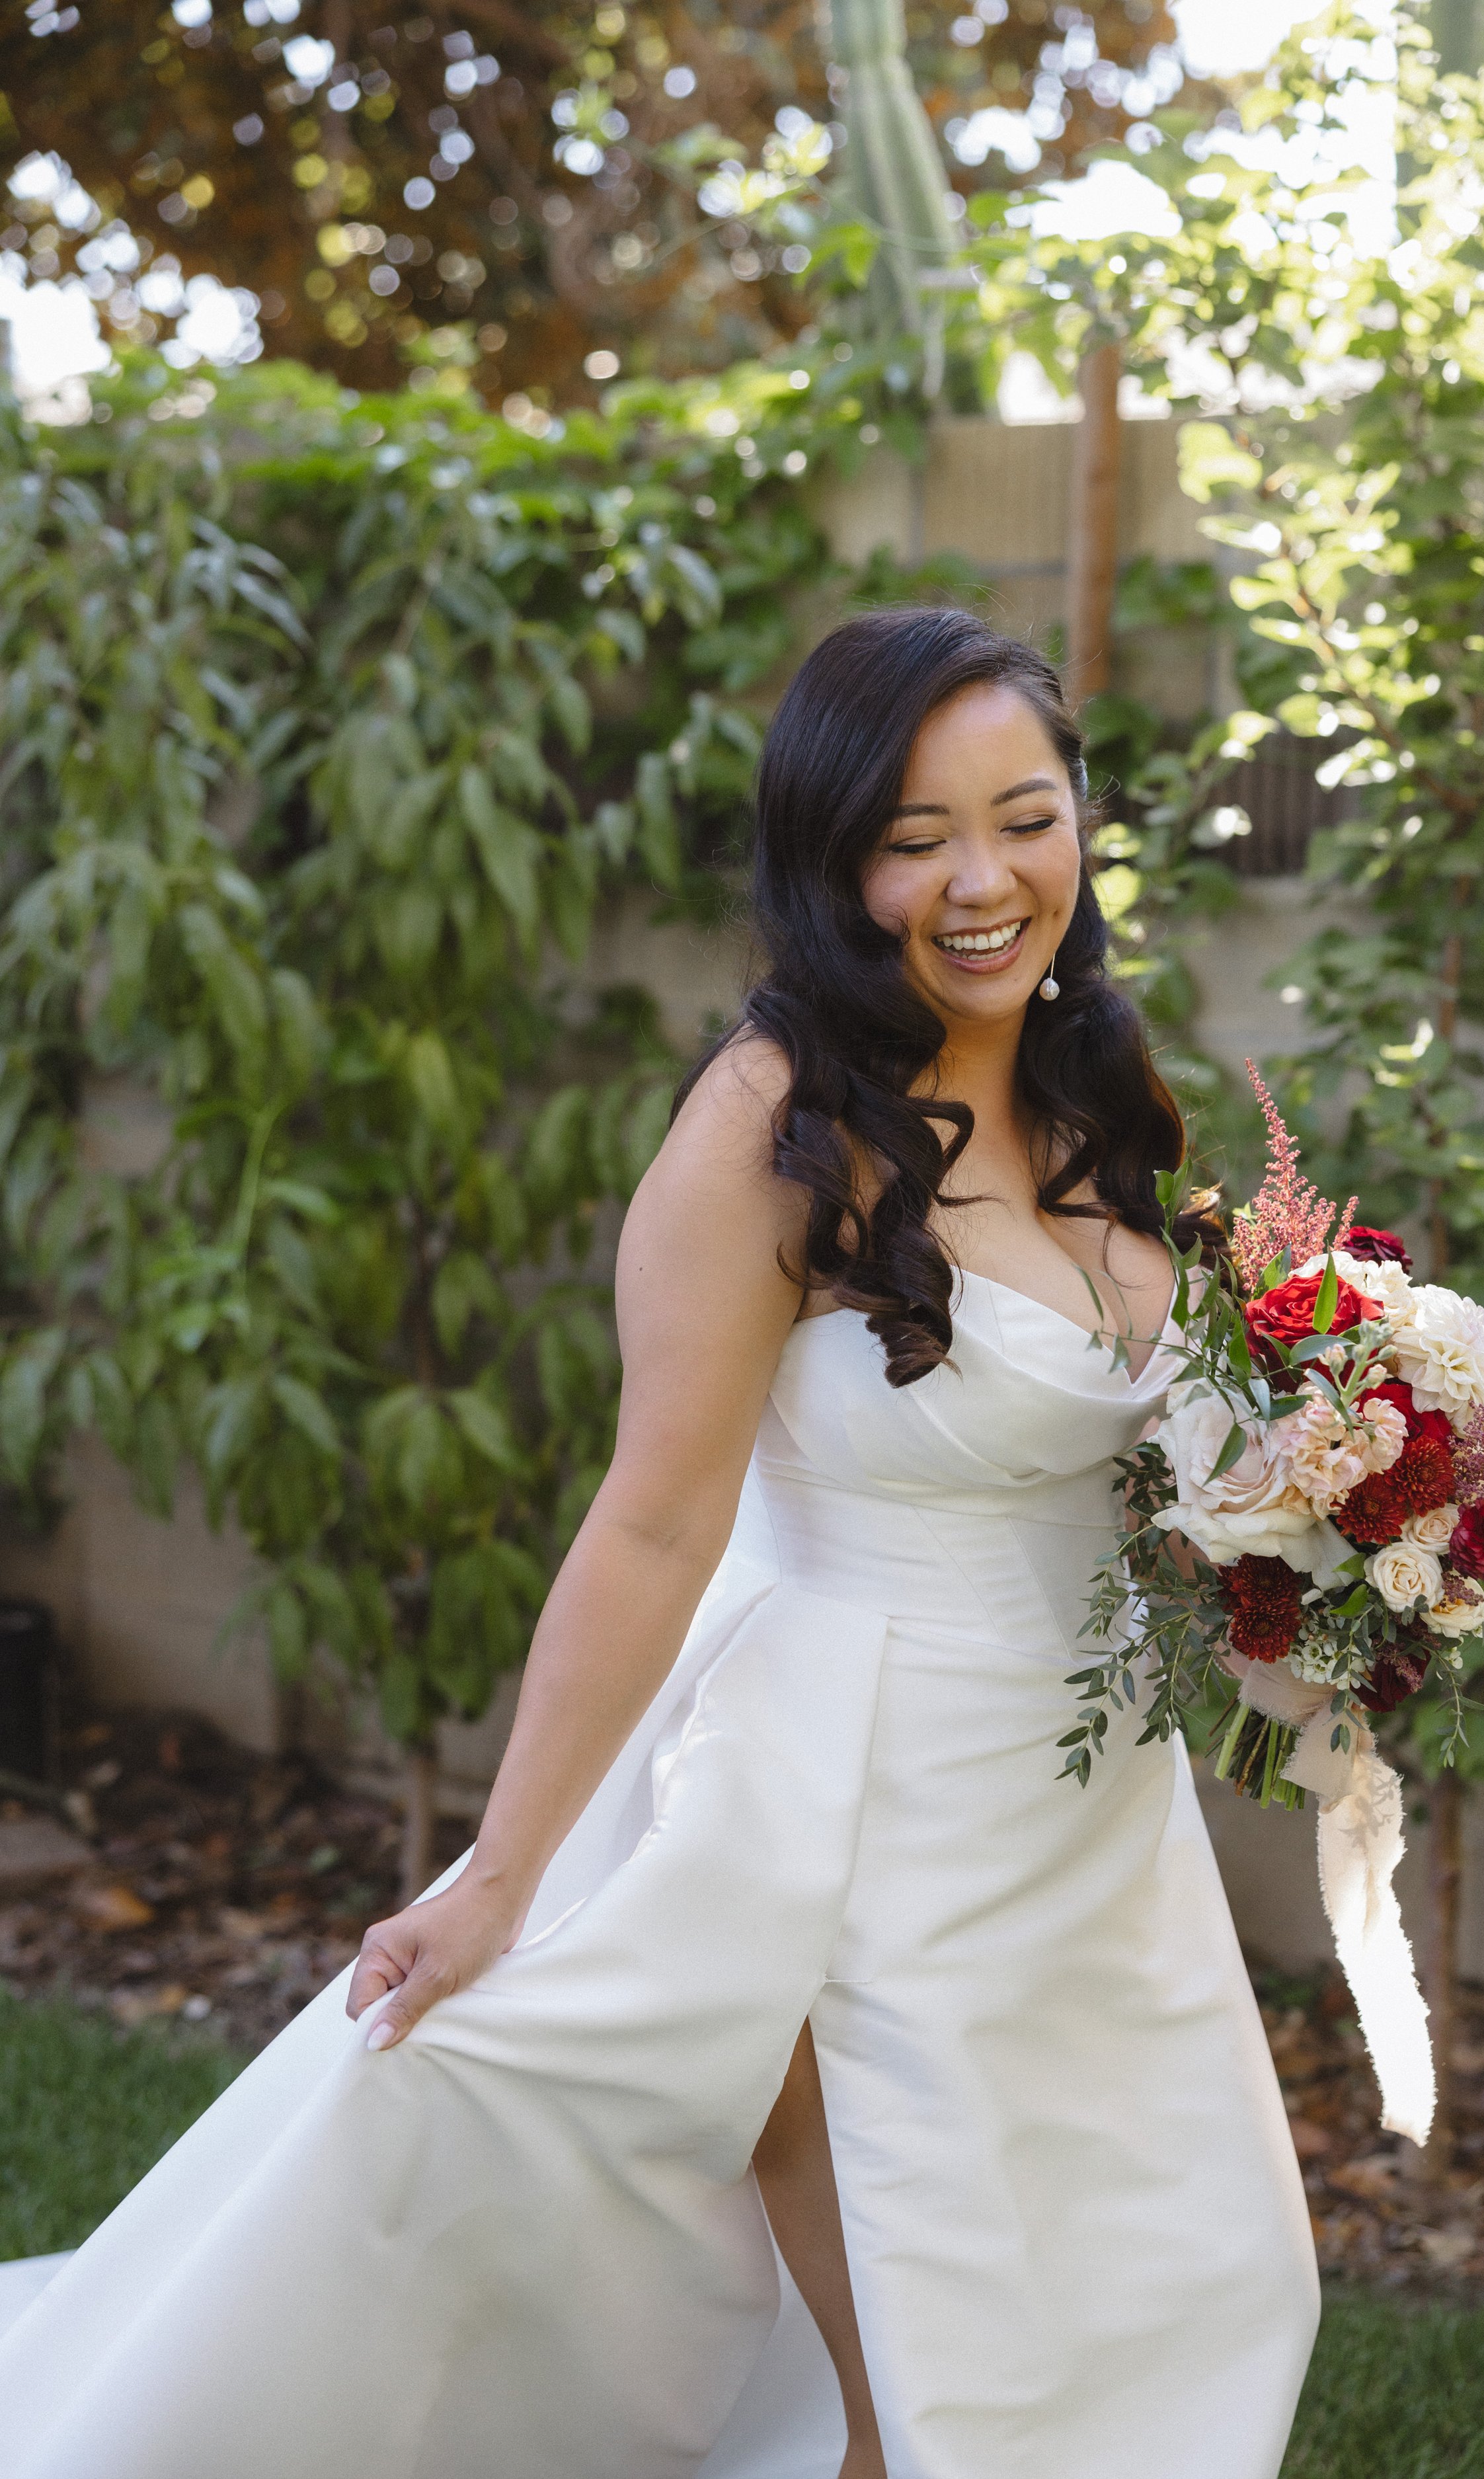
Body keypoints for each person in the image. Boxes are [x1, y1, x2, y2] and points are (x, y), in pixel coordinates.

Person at [0, 608, 1319, 2478]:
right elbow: (649, 1522)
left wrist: (1332, 1517)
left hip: (1096, 1811)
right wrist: (498, 1875)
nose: (977, 880)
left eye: (1021, 818)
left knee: (1177, 2267)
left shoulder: (1096, 1079)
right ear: (825, 854)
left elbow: (1119, 1452)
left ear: (1080, 823)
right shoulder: (768, 1128)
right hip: (861, 1797)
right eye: (909, 835)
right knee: (947, 2334)